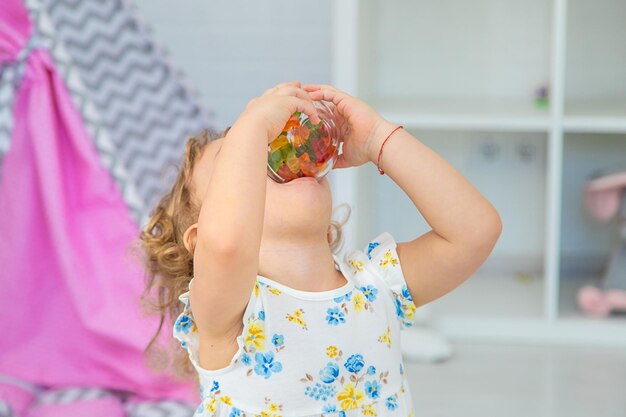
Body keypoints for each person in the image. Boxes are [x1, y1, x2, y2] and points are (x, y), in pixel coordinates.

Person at [138, 81, 502, 416]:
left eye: (256, 149)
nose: (261, 149)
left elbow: (474, 232)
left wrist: (379, 139)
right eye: (234, 158)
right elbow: (227, 245)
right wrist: (250, 127)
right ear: (199, 244)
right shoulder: (227, 312)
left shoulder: (378, 283)